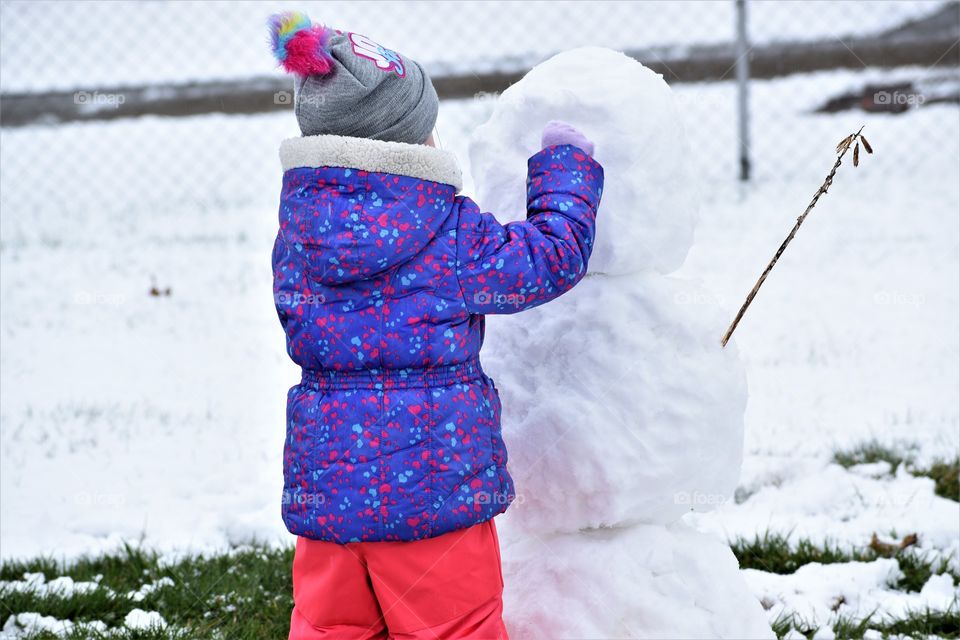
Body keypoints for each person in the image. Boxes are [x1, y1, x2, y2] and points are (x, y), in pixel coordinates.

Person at [268, 12, 604, 639]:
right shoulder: (448, 232)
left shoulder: (297, 236)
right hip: (433, 499)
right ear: (406, 146)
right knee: (454, 629)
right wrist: (565, 172)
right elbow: (547, 260)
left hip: (328, 503)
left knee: (330, 628)